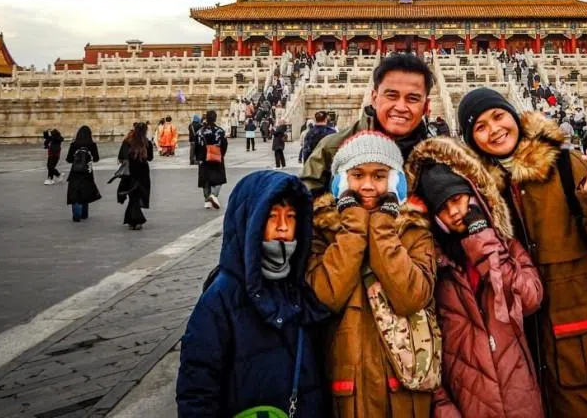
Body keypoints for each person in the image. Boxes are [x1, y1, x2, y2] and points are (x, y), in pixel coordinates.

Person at [455, 88, 587, 418]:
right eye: (480, 127)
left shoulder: (565, 166)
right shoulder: (481, 192)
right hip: (524, 342)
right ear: (472, 140)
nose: (494, 130)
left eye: (498, 116)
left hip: (585, 333)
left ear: (514, 116)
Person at [406, 138, 544, 418]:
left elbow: (529, 300)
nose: (455, 212)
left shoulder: (506, 246)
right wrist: (443, 409)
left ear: (474, 194)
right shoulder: (434, 267)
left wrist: (484, 242)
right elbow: (423, 346)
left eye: (457, 199)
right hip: (466, 402)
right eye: (443, 208)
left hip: (519, 397)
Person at [176, 171, 331, 417]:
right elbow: (197, 388)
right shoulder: (221, 298)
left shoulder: (301, 287)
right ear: (251, 222)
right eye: (272, 217)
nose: (283, 227)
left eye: (291, 217)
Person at [306, 131, 436, 418]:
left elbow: (410, 297)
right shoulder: (323, 231)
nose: (367, 185)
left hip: (404, 392)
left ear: (396, 181)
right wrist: (354, 226)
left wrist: (382, 226)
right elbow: (326, 296)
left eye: (379, 176)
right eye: (357, 175)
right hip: (348, 389)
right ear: (341, 181)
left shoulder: (414, 231)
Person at [300, 53, 433, 201]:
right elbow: (302, 203)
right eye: (392, 96)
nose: (401, 107)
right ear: (374, 98)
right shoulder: (332, 148)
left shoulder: (437, 157)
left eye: (412, 98)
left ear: (426, 106)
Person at [117, 123, 154, 230]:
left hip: (130, 173)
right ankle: (137, 220)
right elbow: (150, 158)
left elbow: (121, 156)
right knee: (136, 197)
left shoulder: (127, 142)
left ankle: (131, 220)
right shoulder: (147, 143)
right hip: (142, 173)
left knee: (133, 197)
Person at [65, 125, 101, 221]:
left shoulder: (74, 144)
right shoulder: (92, 144)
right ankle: (84, 213)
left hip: (75, 171)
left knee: (75, 191)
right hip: (87, 172)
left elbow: (69, 159)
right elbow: (96, 159)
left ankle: (77, 213)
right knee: (85, 190)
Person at [195, 110, 228, 209]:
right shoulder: (220, 131)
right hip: (216, 157)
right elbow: (224, 145)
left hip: (203, 158)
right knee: (219, 178)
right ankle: (213, 195)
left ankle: (207, 200)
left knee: (205, 179)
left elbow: (196, 146)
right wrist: (221, 155)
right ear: (215, 118)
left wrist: (198, 157)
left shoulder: (200, 131)